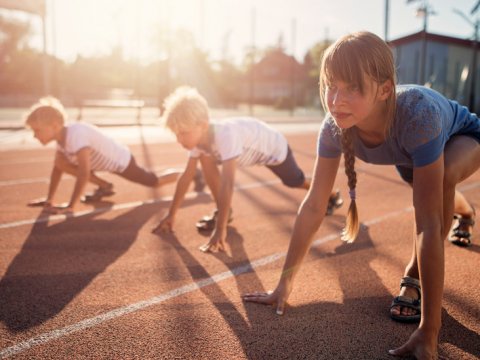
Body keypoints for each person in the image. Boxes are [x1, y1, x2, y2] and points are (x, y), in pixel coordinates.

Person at [242, 31, 480, 359]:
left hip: (465, 136)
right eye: (331, 86)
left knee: (439, 189)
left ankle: (413, 275)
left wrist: (429, 331)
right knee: (431, 187)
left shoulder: (418, 117)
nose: (337, 100)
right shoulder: (333, 127)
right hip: (411, 156)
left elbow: (428, 225)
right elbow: (314, 205)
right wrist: (283, 284)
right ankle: (466, 213)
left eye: (352, 88)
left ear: (385, 90)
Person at [152, 86, 344, 253]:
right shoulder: (198, 142)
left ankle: (331, 194)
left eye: (183, 133)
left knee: (294, 181)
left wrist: (220, 230)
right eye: (176, 134)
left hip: (274, 149)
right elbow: (186, 177)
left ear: (202, 125)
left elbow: (228, 183)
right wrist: (171, 215)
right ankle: (224, 211)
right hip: (252, 149)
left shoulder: (225, 136)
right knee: (205, 158)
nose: (180, 140)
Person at [24, 96, 197, 214]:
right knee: (60, 163)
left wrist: (71, 205)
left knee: (155, 182)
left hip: (121, 161)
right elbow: (58, 169)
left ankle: (193, 174)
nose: (34, 135)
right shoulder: (61, 139)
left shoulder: (76, 135)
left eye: (37, 130)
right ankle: (105, 186)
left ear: (55, 126)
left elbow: (84, 173)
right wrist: (49, 199)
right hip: (102, 164)